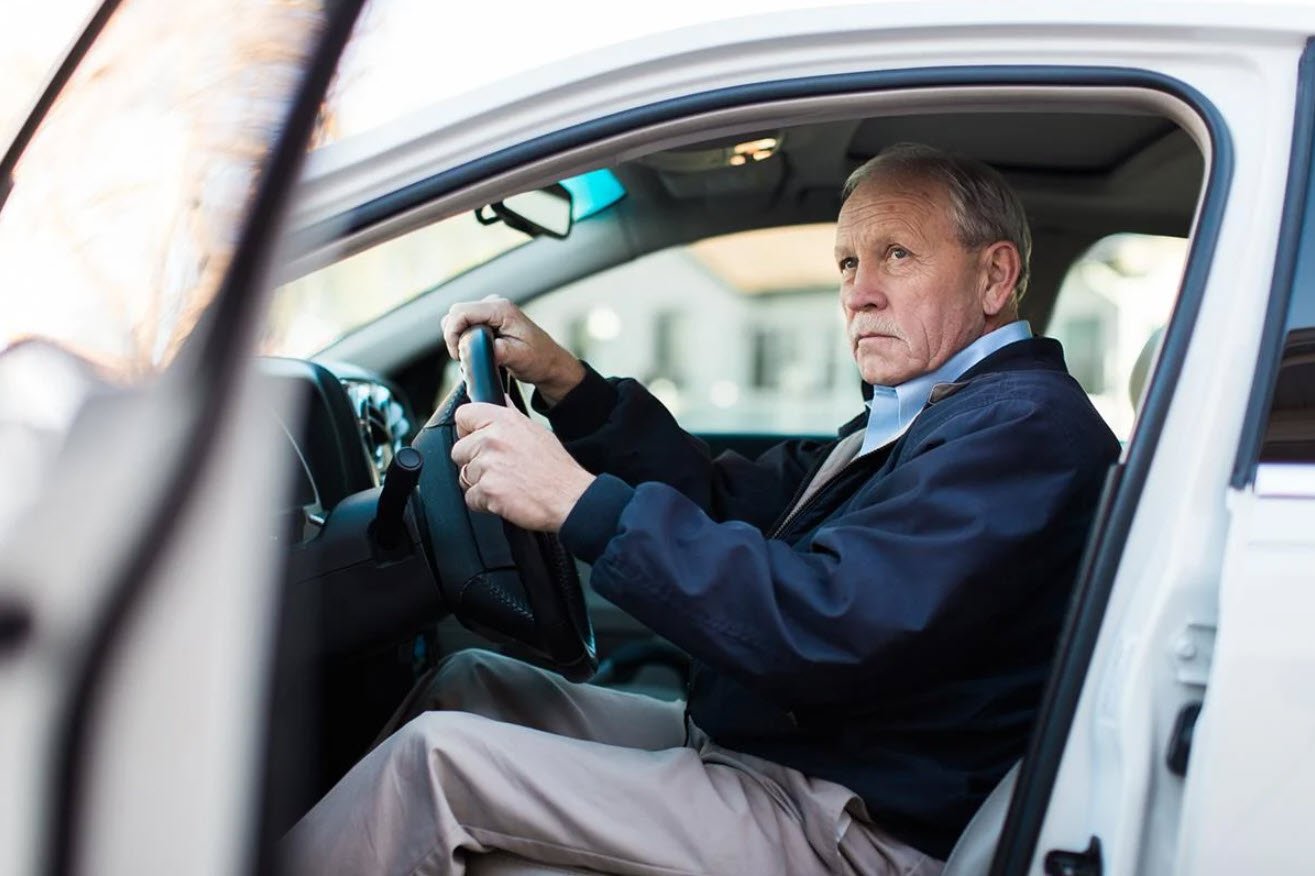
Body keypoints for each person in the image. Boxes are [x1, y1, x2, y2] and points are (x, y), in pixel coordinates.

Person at [282, 143, 1120, 876]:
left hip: (852, 825)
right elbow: (733, 500)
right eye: (845, 264)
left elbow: (831, 621)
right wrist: (572, 389)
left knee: (437, 764)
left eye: (895, 255)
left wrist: (577, 502)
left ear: (995, 276)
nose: (858, 294)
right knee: (471, 684)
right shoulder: (929, 414)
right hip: (788, 754)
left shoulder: (1022, 430)